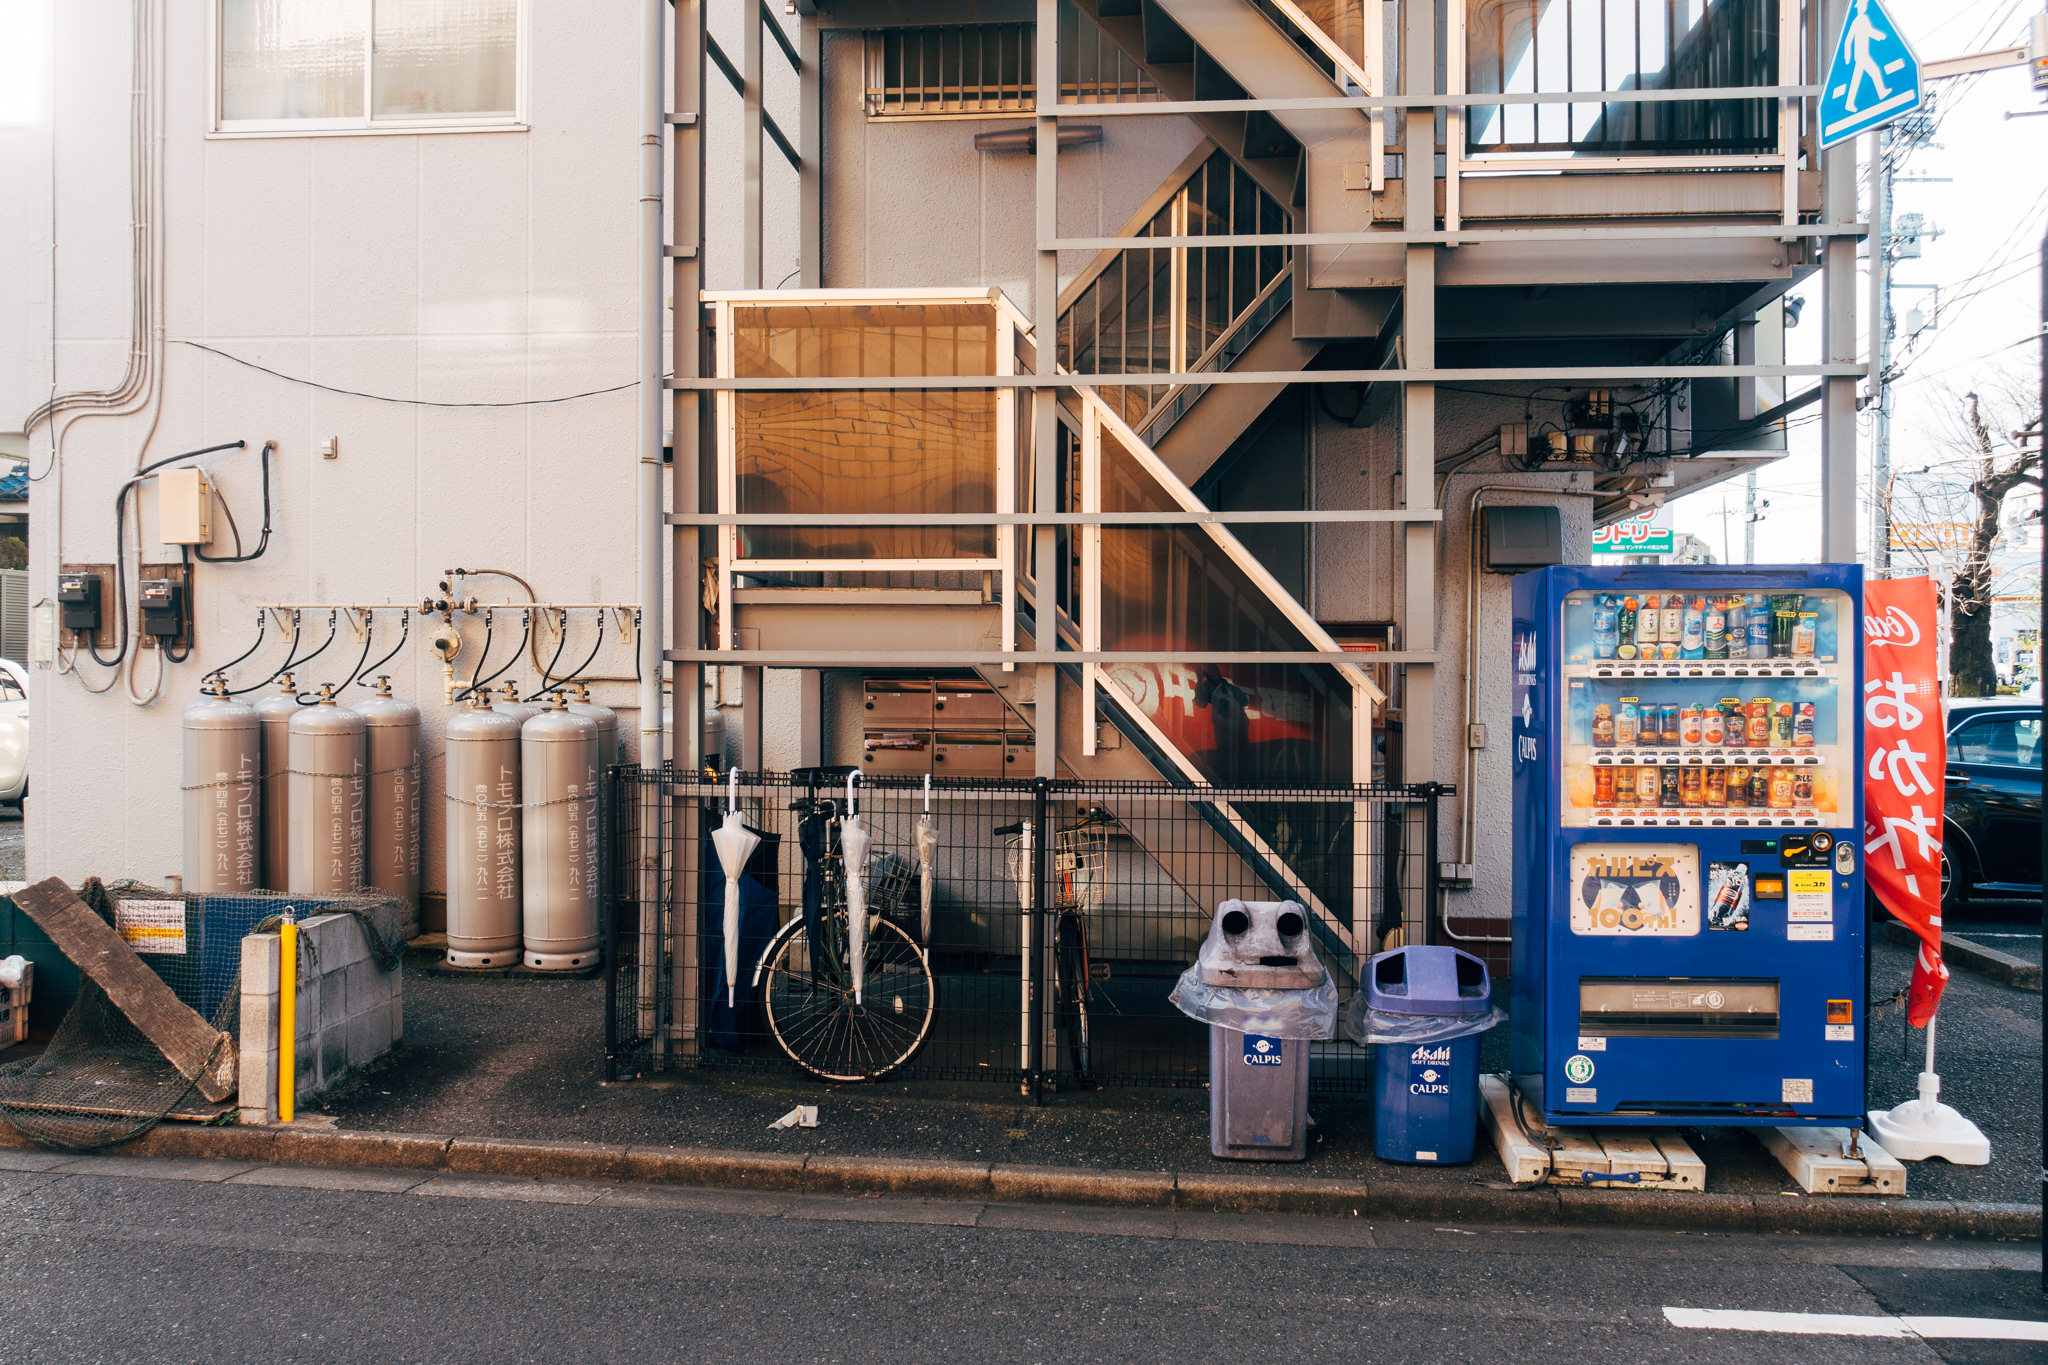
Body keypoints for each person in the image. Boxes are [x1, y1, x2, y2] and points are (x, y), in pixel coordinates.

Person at [1844, 0, 1891, 114]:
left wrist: (1880, 36)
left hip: (1862, 55)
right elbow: (1848, 39)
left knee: (1859, 78)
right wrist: (1847, 56)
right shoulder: (1859, 20)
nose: (1864, 6)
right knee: (1871, 73)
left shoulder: (1862, 19)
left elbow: (1868, 32)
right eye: (1863, 5)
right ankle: (1880, 92)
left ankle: (1850, 103)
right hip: (1861, 55)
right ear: (1859, 7)